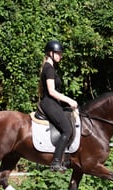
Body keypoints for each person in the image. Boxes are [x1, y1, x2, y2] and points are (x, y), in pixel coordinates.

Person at [38, 40, 78, 172]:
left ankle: (67, 158)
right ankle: (56, 161)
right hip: (49, 103)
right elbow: (52, 91)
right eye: (58, 53)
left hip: (54, 103)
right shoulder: (49, 69)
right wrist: (69, 100)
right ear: (51, 53)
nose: (61, 55)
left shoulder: (51, 68)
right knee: (67, 129)